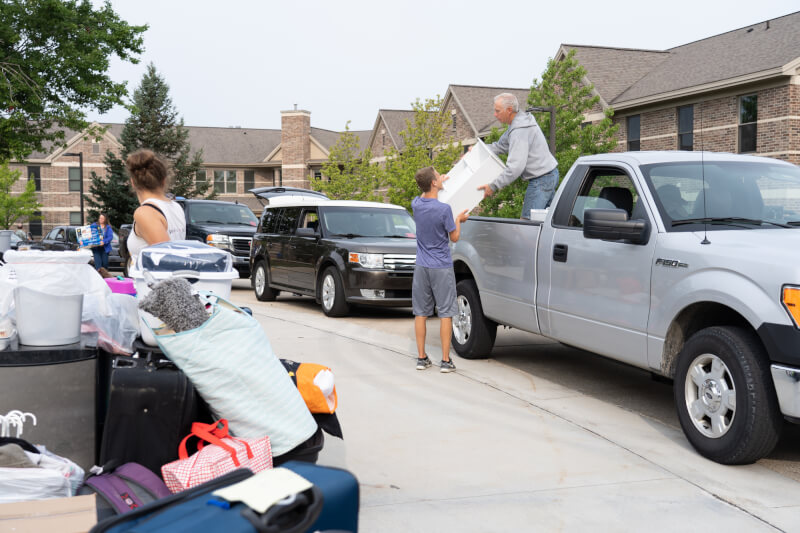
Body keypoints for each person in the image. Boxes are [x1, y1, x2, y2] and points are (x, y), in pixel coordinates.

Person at [411, 166, 469, 373]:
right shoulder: (444, 210)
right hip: (441, 267)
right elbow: (454, 237)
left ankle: (421, 358)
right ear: (434, 183)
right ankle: (445, 361)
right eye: (437, 176)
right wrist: (458, 221)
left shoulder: (416, 204)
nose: (440, 177)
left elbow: (423, 194)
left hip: (421, 266)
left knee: (420, 313)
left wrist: (435, 182)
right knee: (445, 313)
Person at [477, 93, 559, 219]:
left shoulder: (519, 130)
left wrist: (493, 186)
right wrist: (477, 150)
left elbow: (515, 168)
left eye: (497, 111)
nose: (495, 114)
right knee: (548, 222)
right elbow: (500, 146)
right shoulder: (517, 124)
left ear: (509, 110)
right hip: (548, 175)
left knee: (526, 225)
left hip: (541, 180)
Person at [125, 149, 186, 266]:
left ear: (132, 182)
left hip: (153, 283)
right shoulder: (176, 207)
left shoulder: (146, 212)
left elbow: (167, 261)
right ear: (163, 181)